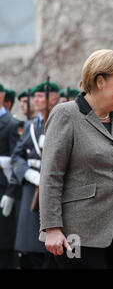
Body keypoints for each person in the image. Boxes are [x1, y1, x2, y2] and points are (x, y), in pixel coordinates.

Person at [38, 49, 113, 269]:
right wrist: (51, 228)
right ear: (100, 81)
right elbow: (51, 175)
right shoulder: (66, 114)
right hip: (76, 232)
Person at [7, 81, 60, 269]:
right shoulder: (30, 126)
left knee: (53, 253)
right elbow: (17, 157)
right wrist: (28, 173)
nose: (35, 100)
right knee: (30, 249)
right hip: (33, 190)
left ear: (52, 99)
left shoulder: (62, 121)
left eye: (39, 97)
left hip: (54, 190)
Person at [0, 83, 21, 268]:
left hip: (3, 188)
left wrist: (11, 192)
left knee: (5, 244)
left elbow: (17, 161)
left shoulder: (12, 124)